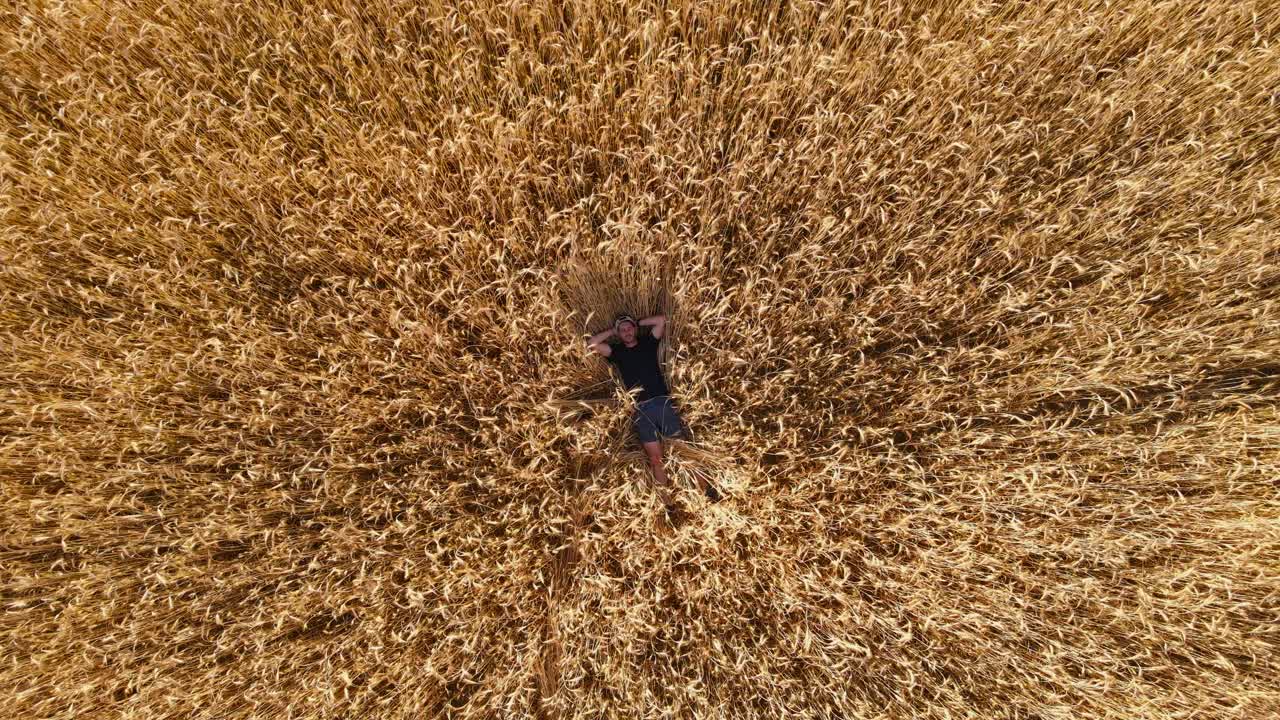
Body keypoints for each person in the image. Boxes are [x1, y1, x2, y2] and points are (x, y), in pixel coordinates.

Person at [585, 313, 721, 523]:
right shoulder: (616, 352)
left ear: (634, 329)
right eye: (623, 330)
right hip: (641, 410)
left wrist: (637, 322)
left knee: (682, 449)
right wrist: (613, 330)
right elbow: (591, 344)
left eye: (629, 328)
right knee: (656, 459)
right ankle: (668, 506)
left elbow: (661, 321)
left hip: (662, 404)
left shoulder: (648, 343)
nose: (627, 332)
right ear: (619, 334)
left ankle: (707, 490)